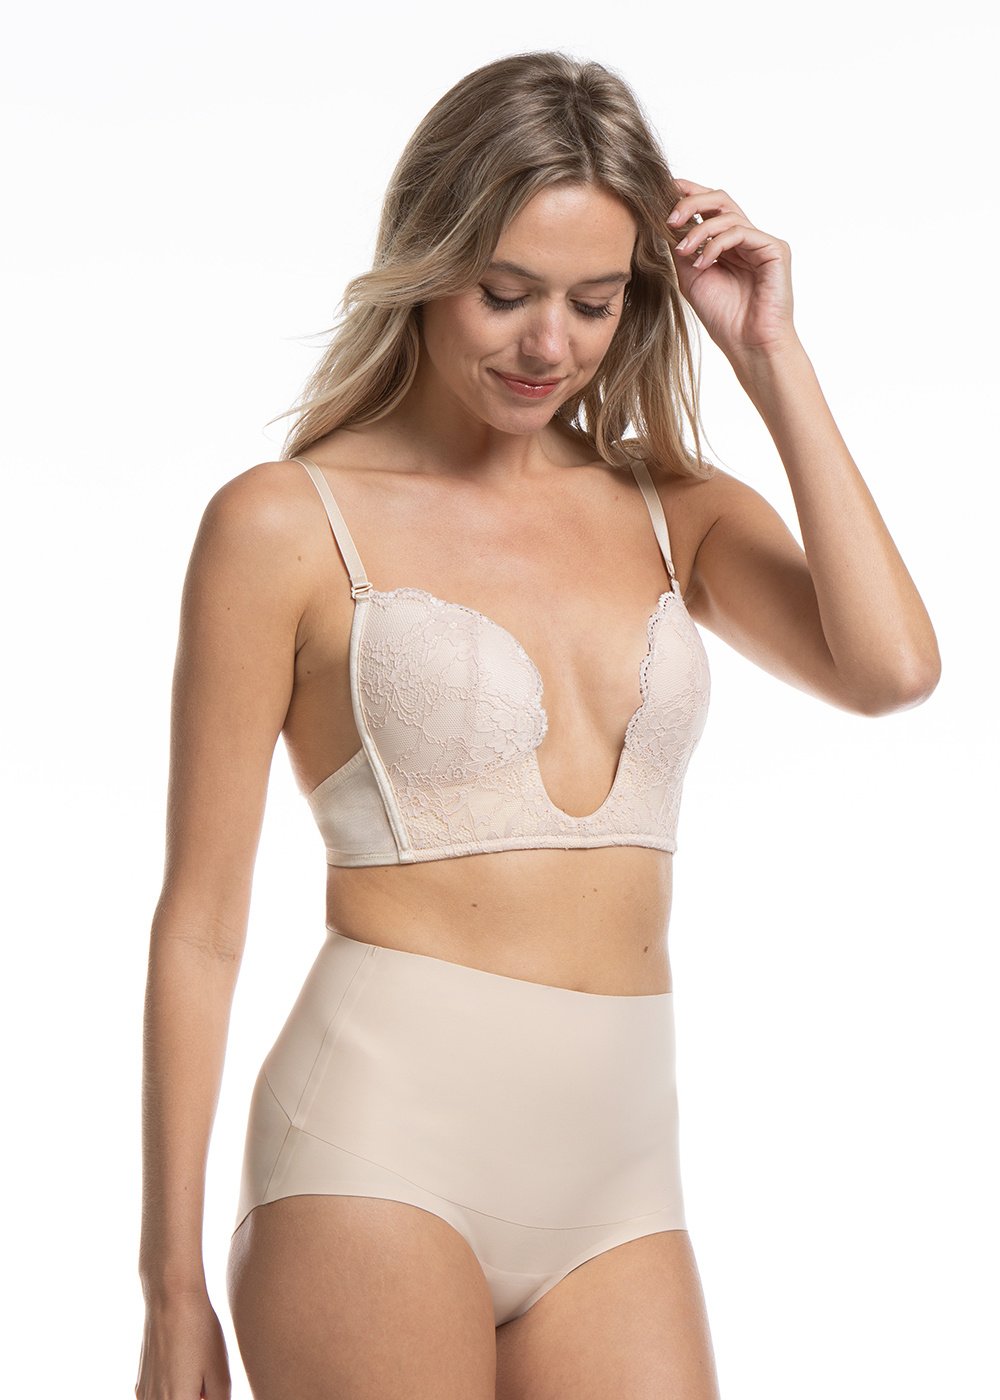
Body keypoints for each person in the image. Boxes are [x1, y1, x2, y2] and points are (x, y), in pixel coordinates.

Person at [135, 49, 940, 1400]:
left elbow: (892, 669)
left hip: (619, 1188)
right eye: (503, 293)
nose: (546, 345)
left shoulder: (671, 509)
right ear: (426, 262)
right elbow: (202, 925)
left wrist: (770, 354)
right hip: (374, 1155)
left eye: (592, 301)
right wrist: (169, 1292)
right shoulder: (283, 524)